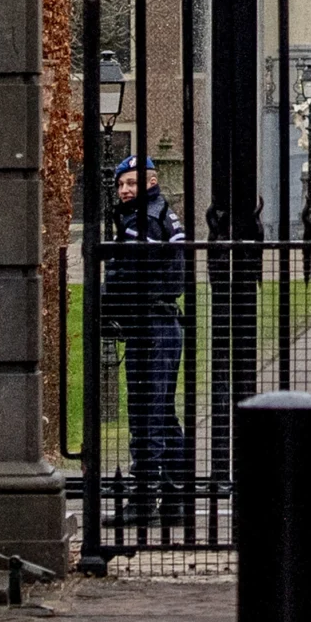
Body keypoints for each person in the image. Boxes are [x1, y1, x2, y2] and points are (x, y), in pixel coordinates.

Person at [102, 154, 192, 525]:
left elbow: (128, 273)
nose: (124, 191)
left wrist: (106, 308)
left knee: (146, 416)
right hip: (163, 323)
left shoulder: (144, 221)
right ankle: (174, 500)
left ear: (151, 183)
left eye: (132, 184)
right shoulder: (161, 215)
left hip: (150, 325)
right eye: (122, 184)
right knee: (163, 415)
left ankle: (143, 502)